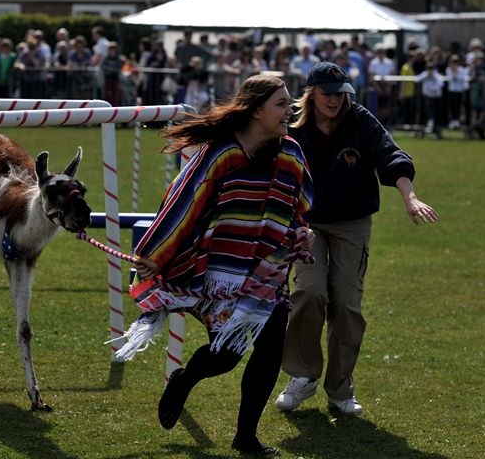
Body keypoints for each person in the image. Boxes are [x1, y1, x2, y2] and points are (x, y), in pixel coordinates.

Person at [119, 73, 315, 456]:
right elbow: (183, 204)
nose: (289, 111)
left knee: (272, 346)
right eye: (281, 104)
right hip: (219, 272)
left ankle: (246, 437)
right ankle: (183, 379)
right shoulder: (222, 153)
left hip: (266, 272)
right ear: (257, 110)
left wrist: (301, 231)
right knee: (226, 356)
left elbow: (299, 207)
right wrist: (155, 256)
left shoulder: (291, 152)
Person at [275, 62, 439, 415]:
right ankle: (302, 376)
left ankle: (340, 387)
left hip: (352, 222)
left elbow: (390, 155)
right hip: (308, 224)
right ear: (311, 93)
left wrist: (409, 197)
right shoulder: (293, 126)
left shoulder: (361, 120)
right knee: (308, 292)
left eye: (340, 94)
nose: (334, 101)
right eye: (327, 94)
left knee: (347, 304)